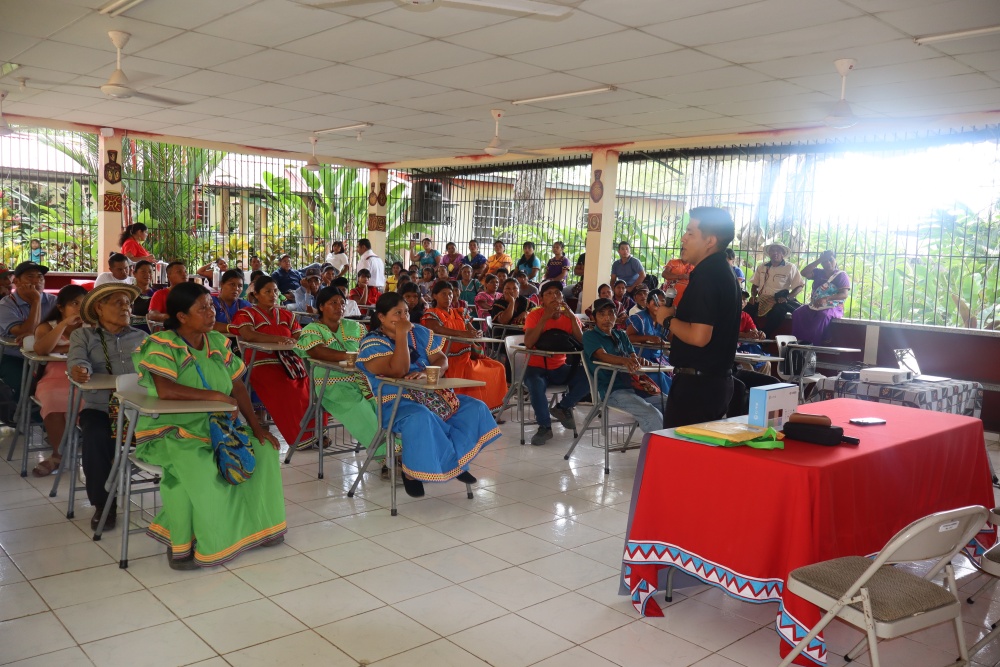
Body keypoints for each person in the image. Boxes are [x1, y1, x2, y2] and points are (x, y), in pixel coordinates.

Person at [133, 282, 284, 569]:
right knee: (202, 465)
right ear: (181, 316)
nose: (211, 313)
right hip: (172, 432)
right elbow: (165, 390)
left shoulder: (217, 342)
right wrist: (215, 396)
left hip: (219, 428)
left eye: (211, 306)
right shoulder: (163, 344)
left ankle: (261, 528)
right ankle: (185, 543)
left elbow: (238, 387)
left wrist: (256, 427)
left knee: (264, 450)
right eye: (202, 308)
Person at [357, 292, 500, 498]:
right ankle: (413, 473)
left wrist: (429, 372)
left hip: (434, 397)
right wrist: (402, 335)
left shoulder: (420, 332)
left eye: (406, 312)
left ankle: (453, 463)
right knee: (422, 417)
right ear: (381, 317)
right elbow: (398, 370)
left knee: (475, 408)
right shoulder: (372, 344)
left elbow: (442, 360)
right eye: (397, 313)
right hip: (397, 404)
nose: (404, 317)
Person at [67, 282, 147, 529]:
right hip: (101, 407)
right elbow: (77, 359)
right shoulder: (83, 335)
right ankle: (104, 505)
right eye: (118, 303)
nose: (126, 308)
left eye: (128, 303)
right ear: (99, 309)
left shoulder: (143, 337)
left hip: (138, 409)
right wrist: (81, 370)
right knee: (95, 434)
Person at [658, 207, 741, 428]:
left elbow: (699, 336)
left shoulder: (709, 275)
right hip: (711, 383)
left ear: (710, 241)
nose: (683, 238)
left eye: (690, 233)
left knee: (681, 449)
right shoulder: (723, 271)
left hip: (697, 389)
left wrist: (667, 319)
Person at [230, 275, 312, 448]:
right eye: (267, 291)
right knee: (286, 387)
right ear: (256, 294)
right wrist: (278, 339)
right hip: (261, 362)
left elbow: (299, 335)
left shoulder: (286, 314)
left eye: (275, 291)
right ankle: (300, 438)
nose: (273, 295)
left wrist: (298, 340)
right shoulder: (246, 313)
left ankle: (315, 432)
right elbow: (248, 334)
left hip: (290, 361)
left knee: (309, 385)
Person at [294, 286, 378, 452]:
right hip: (331, 384)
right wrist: (350, 356)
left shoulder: (355, 326)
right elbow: (316, 351)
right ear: (321, 306)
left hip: (362, 380)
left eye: (342, 303)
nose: (339, 307)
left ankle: (395, 450)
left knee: (385, 401)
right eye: (333, 303)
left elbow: (369, 347)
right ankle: (387, 454)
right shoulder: (312, 329)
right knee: (358, 406)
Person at [421, 281, 507, 411]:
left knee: (498, 367)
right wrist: (462, 333)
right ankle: (470, 409)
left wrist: (476, 333)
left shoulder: (459, 312)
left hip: (466, 357)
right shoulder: (431, 313)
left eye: (450, 294)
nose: (448, 297)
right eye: (443, 294)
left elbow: (471, 329)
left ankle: (489, 409)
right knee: (476, 373)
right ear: (434, 296)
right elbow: (436, 329)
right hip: (447, 359)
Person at [523, 281, 591, 446]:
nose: (554, 296)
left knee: (590, 376)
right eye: (549, 294)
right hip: (535, 368)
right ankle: (545, 427)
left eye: (558, 293)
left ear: (562, 298)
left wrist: (572, 318)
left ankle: (562, 407)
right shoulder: (534, 315)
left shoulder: (568, 316)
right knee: (536, 385)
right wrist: (545, 318)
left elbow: (582, 341)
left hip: (559, 368)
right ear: (542, 300)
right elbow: (529, 343)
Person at [29, 284, 87, 477]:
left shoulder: (90, 327)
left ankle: (90, 451)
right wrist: (63, 325)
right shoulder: (47, 327)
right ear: (61, 307)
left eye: (83, 304)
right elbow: (41, 350)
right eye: (74, 304)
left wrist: (62, 349)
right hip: (53, 377)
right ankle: (57, 455)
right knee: (53, 400)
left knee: (89, 400)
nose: (79, 308)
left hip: (83, 376)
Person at [584, 298, 664, 434]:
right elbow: (602, 355)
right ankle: (659, 447)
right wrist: (624, 361)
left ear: (616, 315)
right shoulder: (590, 336)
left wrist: (639, 361)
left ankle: (679, 443)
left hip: (635, 386)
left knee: (671, 404)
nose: (607, 318)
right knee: (652, 414)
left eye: (611, 313)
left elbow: (632, 356)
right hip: (612, 391)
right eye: (602, 314)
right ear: (594, 317)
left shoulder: (621, 335)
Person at [0, 262, 58, 402]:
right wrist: (36, 301)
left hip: (49, 356)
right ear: (16, 281)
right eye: (30, 277)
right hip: (15, 357)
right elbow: (28, 332)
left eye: (40, 277)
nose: (37, 281)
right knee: (26, 385)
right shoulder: (5, 305)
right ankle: (21, 412)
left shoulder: (54, 301)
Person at [792, 250, 851, 344]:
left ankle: (814, 343)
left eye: (830, 260)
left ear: (835, 260)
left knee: (823, 315)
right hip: (816, 304)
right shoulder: (818, 272)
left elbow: (844, 294)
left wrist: (826, 299)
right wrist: (819, 260)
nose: (828, 263)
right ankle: (798, 341)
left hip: (834, 306)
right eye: (825, 261)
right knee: (798, 313)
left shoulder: (841, 275)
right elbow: (804, 273)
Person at [626, 288, 672, 393]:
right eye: (655, 303)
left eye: (662, 304)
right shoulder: (639, 318)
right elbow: (628, 337)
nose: (659, 306)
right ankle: (667, 399)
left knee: (676, 372)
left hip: (659, 358)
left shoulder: (664, 320)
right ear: (647, 305)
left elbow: (671, 338)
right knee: (660, 376)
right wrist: (648, 338)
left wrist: (672, 320)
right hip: (641, 358)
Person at [747, 242, 805, 319]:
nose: (775, 253)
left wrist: (787, 297)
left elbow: (799, 286)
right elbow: (755, 284)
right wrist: (753, 296)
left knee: (775, 315)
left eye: (778, 251)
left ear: (783, 254)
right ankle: (754, 327)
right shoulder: (762, 267)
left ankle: (767, 328)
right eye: (772, 251)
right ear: (769, 253)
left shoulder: (790, 267)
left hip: (778, 301)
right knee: (745, 312)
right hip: (762, 300)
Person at [212, 269, 251, 334]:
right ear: (221, 284)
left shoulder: (245, 305)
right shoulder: (211, 303)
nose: (236, 288)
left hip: (241, 340)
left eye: (240, 286)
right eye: (232, 284)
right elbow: (206, 324)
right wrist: (234, 328)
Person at [130, 260, 156, 330]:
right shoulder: (128, 293)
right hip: (132, 332)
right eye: (143, 271)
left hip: (152, 333)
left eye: (150, 272)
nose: (147, 275)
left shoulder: (156, 294)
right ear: (134, 273)